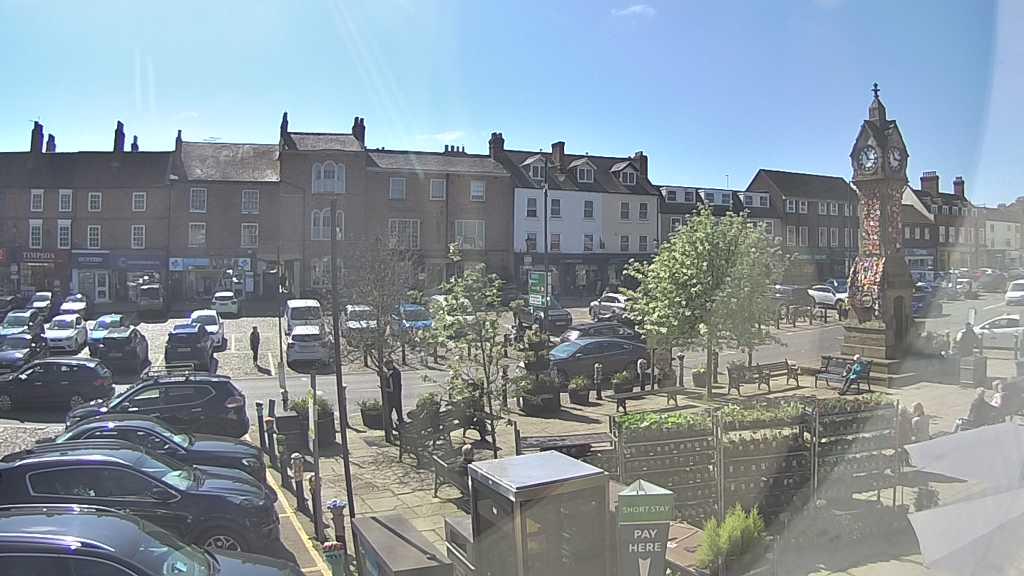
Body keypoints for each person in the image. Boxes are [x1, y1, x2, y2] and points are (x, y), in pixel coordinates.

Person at [383, 359, 404, 427]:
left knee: (388, 413)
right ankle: (400, 424)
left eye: (386, 365)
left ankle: (390, 427)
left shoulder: (392, 374)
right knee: (399, 412)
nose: (386, 367)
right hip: (397, 395)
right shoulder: (396, 371)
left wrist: (384, 389)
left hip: (392, 396)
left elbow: (391, 388)